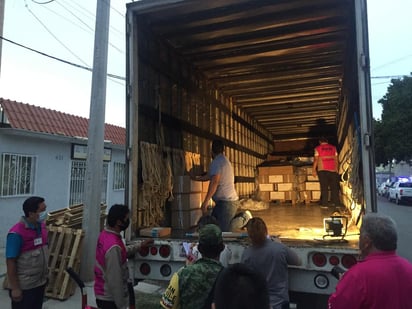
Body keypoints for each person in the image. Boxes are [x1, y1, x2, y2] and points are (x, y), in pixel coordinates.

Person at [328, 213, 412, 309]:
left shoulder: (357, 276)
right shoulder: (409, 268)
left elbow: (337, 306)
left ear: (366, 242)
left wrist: (344, 284)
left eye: (360, 236)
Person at [94, 204, 152, 309]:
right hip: (109, 299)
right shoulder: (113, 246)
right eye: (126, 219)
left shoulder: (105, 235)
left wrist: (139, 245)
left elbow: (122, 251)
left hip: (102, 295)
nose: (128, 222)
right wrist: (122, 306)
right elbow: (115, 281)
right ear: (119, 222)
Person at [241, 217, 302, 309]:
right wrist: (280, 244)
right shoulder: (279, 249)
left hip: (258, 302)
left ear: (249, 235)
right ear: (266, 231)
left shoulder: (247, 254)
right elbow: (298, 261)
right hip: (279, 302)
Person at [160, 224, 224, 309]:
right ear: (222, 248)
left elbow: (166, 307)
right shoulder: (229, 278)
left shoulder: (182, 275)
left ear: (199, 248)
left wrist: (187, 269)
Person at [5, 196, 49, 309]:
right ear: (31, 213)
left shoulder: (42, 228)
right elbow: (11, 261)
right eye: (42, 211)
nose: (45, 213)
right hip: (25, 287)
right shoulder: (16, 234)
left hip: (40, 283)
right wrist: (15, 288)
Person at [192, 139, 239, 231]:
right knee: (213, 227)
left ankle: (245, 217)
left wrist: (205, 202)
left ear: (211, 151)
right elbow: (209, 176)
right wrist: (195, 178)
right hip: (223, 202)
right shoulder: (223, 161)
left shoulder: (217, 162)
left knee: (223, 230)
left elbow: (214, 182)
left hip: (227, 203)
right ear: (223, 150)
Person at [312, 137, 340, 207]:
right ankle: (337, 204)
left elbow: (316, 160)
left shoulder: (317, 148)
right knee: (334, 187)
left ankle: (325, 204)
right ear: (327, 141)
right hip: (333, 170)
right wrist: (337, 168)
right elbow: (336, 159)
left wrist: (313, 170)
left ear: (320, 142)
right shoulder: (333, 148)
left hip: (322, 170)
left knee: (324, 187)